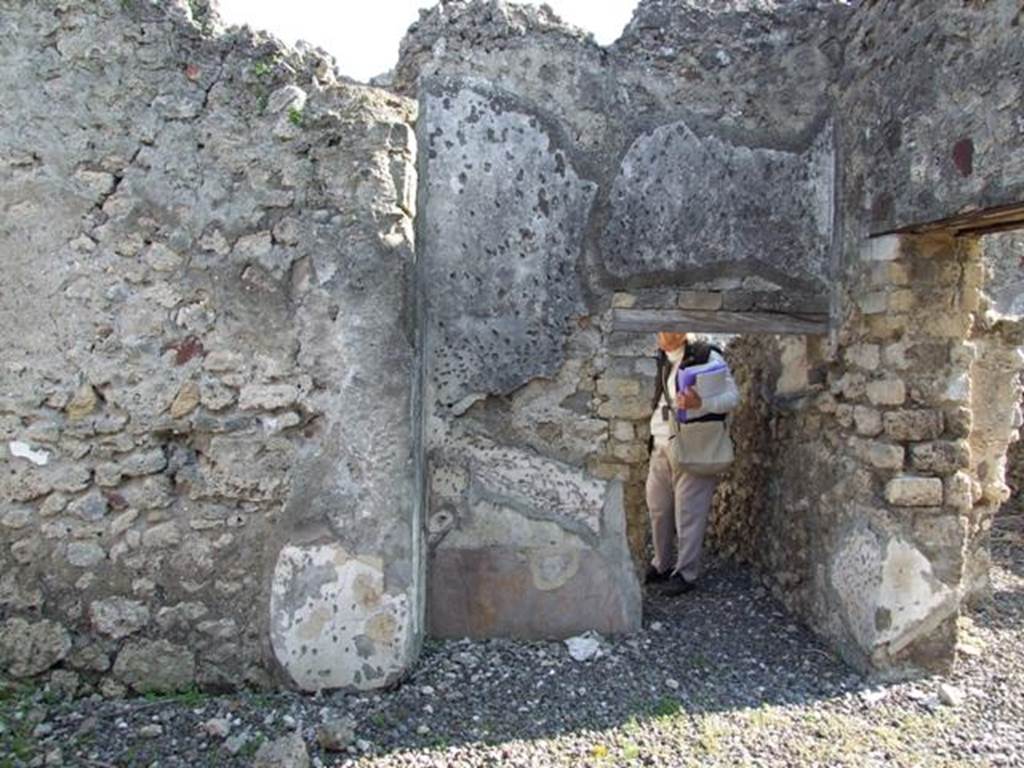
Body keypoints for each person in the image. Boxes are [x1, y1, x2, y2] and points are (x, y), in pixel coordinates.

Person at [645, 331, 740, 596]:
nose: (664, 334)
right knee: (658, 508)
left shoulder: (706, 356)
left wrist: (702, 403)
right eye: (661, 329)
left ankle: (685, 573)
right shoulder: (655, 359)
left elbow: (733, 399)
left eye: (670, 327)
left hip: (694, 445)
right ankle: (661, 563)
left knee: (689, 512)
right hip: (661, 443)